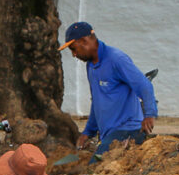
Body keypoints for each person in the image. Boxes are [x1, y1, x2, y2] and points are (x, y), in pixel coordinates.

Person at [60, 21, 157, 162]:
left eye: (74, 49)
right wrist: (88, 132)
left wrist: (149, 114)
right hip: (109, 135)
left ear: (85, 41)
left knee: (94, 168)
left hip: (127, 132)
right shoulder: (91, 67)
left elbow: (144, 85)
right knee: (80, 165)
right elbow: (97, 102)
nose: (74, 54)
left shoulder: (116, 59)